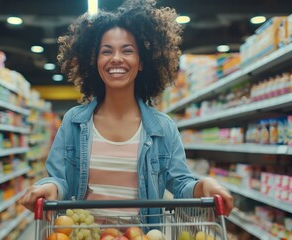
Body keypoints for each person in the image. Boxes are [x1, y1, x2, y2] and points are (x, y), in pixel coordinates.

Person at [22, 0, 233, 222]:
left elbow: (180, 184)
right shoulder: (74, 121)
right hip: (86, 235)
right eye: (106, 51)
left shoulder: (162, 127)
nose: (116, 58)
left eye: (127, 50)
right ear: (95, 61)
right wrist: (48, 187)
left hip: (143, 236)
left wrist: (204, 185)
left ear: (141, 62)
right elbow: (59, 179)